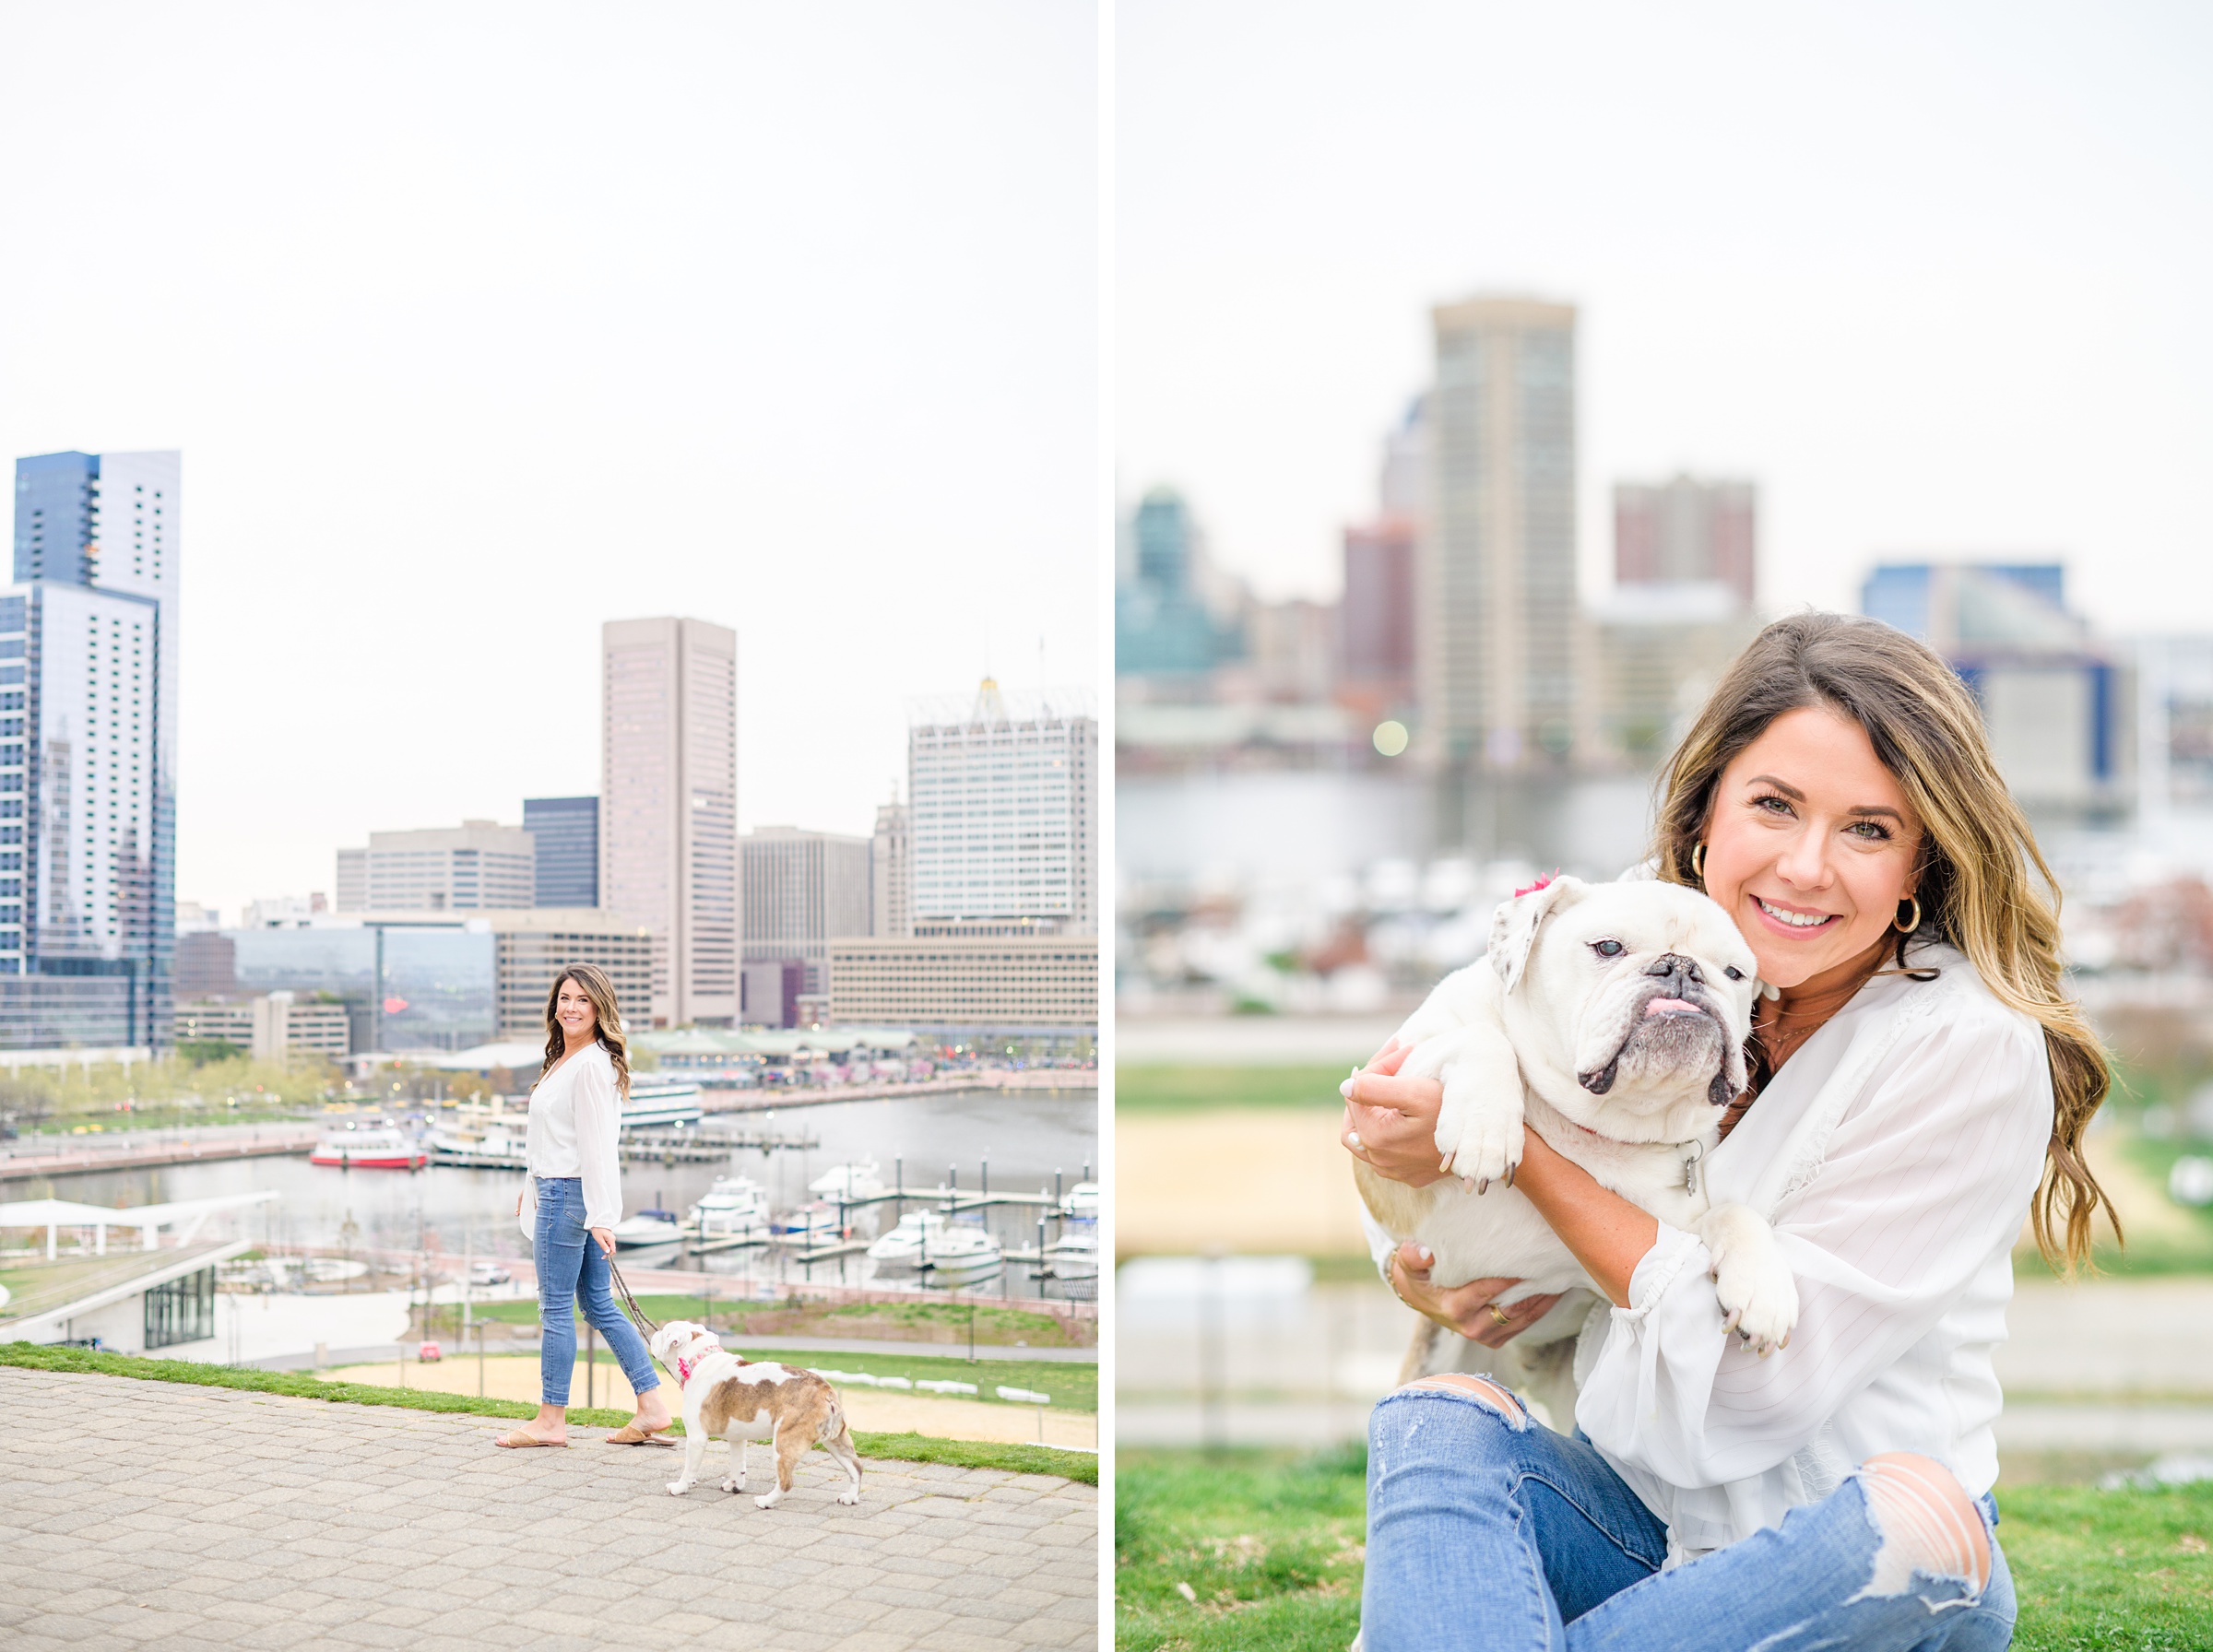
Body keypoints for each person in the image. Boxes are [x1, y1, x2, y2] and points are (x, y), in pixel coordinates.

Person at [1341, 613, 2113, 1649]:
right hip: (1642, 1530)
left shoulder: (1966, 1046)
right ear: (1706, 819)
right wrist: (1421, 1265)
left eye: (1868, 829)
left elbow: (1759, 1380)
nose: (1805, 865)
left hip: (1857, 1553)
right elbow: (1432, 1154)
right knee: (1432, 1419)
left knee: (1919, 1515)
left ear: (1919, 866)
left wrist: (1524, 1158)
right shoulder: (1646, 967)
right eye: (1775, 806)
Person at [495, 962, 673, 1449]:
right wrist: (530, 1182)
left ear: (600, 1010)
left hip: (569, 1198)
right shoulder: (567, 1059)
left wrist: (602, 1218)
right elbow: (556, 1138)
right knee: (597, 1304)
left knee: (555, 1308)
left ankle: (551, 1421)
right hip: (557, 1190)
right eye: (565, 998)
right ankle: (653, 1406)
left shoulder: (592, 1064)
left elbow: (598, 1148)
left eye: (583, 1000)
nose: (571, 1008)